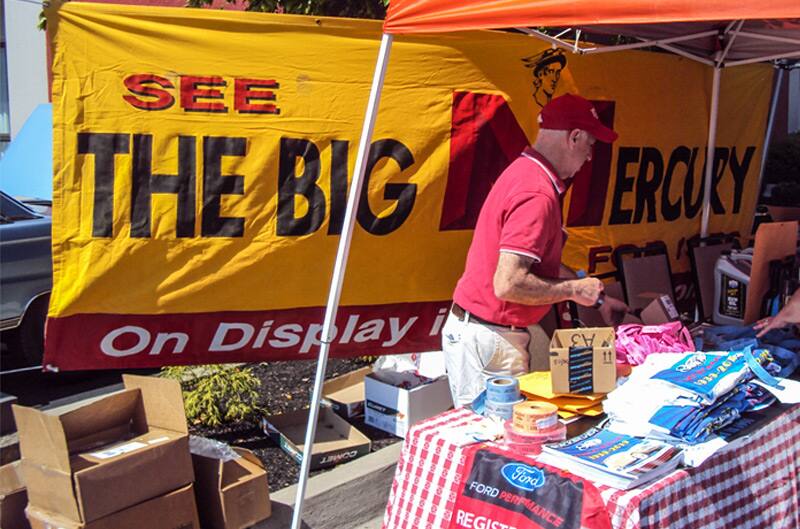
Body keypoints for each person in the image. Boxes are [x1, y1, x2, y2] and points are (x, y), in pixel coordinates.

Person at [442, 93, 628, 407]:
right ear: (575, 137)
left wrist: (595, 297)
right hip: (491, 338)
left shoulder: (528, 175)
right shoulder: (536, 192)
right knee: (494, 443)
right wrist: (573, 289)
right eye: (590, 146)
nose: (590, 156)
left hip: (492, 334)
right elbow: (509, 283)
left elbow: (541, 265)